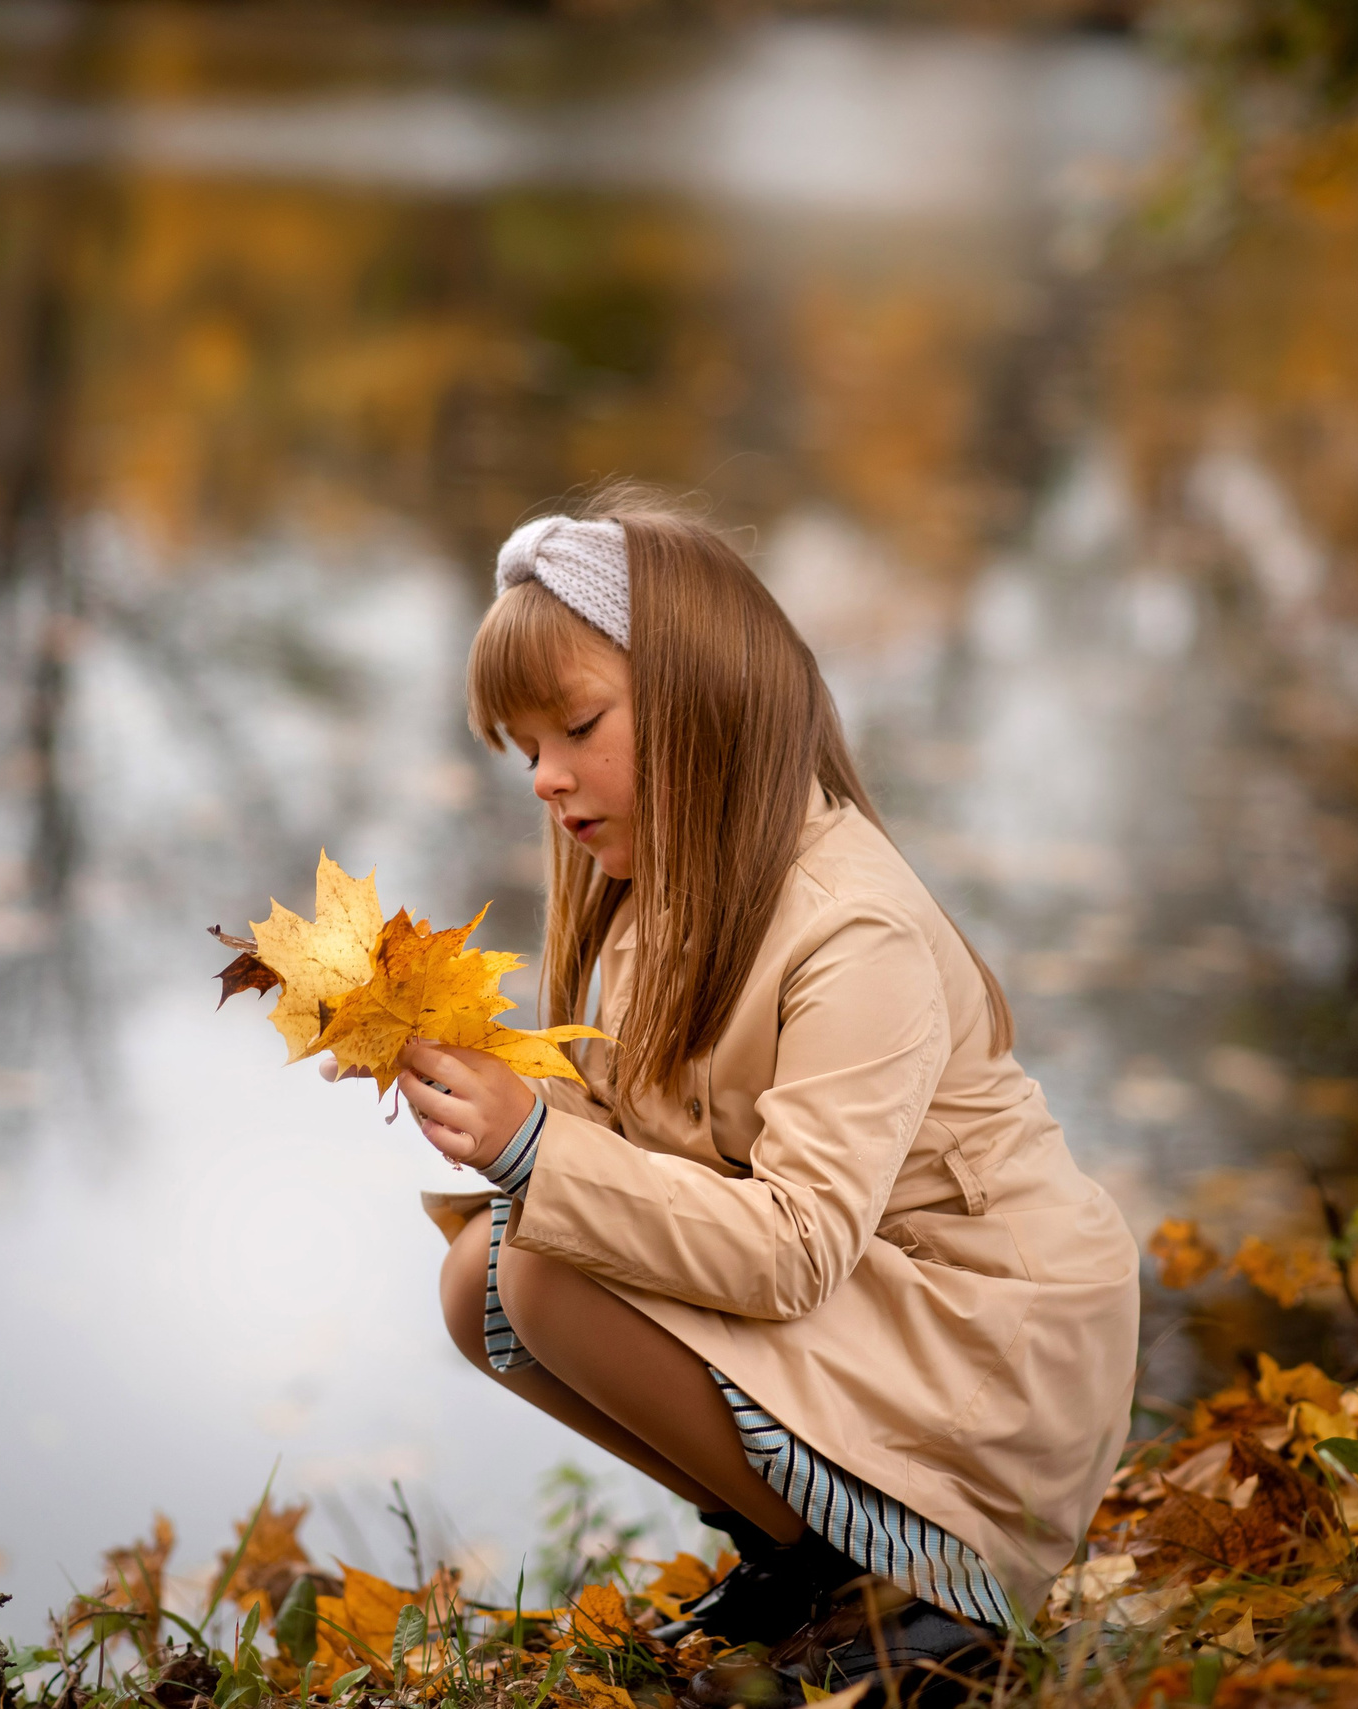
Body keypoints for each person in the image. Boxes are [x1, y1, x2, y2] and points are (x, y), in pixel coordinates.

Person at [331, 488, 1140, 1702]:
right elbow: (665, 1153)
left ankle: (930, 1596)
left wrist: (538, 1148)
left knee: (539, 1262)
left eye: (577, 725)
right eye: (525, 749)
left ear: (708, 702)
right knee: (481, 1276)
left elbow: (794, 1246)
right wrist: (516, 1088)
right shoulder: (651, 899)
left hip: (984, 1354)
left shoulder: (851, 925)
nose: (547, 778)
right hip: (873, 1309)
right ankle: (811, 1558)